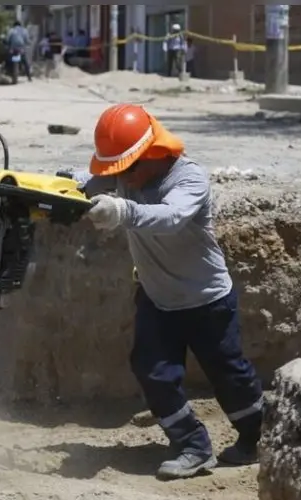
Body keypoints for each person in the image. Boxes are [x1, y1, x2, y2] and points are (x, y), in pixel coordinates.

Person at [70, 104, 265, 481]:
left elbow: (171, 217)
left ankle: (257, 437)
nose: (122, 178)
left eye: (127, 169)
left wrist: (122, 211)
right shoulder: (128, 174)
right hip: (157, 299)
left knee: (230, 375)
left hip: (207, 301)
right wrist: (55, 187)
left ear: (153, 153)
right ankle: (193, 446)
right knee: (153, 372)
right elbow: (87, 182)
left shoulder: (189, 179)